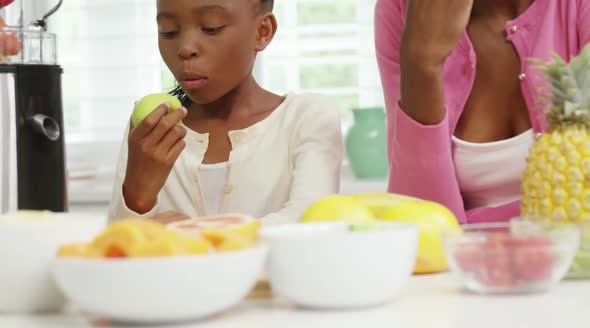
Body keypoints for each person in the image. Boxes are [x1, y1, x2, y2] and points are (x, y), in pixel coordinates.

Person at [108, 0, 343, 224]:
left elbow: (308, 222)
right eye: (168, 31)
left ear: (262, 31)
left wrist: (190, 233)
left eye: (211, 27)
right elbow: (118, 250)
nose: (185, 48)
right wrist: (137, 196)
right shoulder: (153, 126)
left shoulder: (307, 117)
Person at [375, 0, 590, 224]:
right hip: (452, 259)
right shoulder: (401, 8)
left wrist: (471, 230)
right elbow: (414, 225)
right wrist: (421, 63)